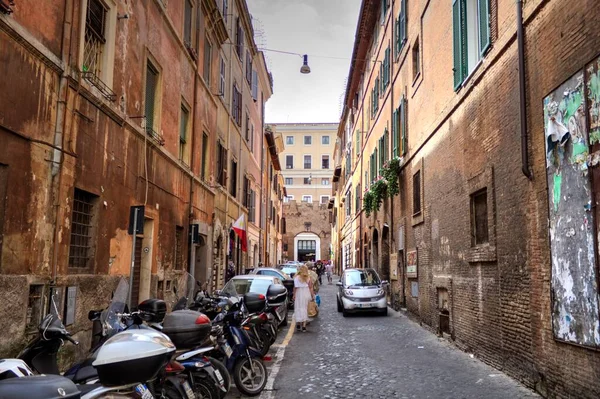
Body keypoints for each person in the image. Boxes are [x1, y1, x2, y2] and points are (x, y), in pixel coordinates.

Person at [293, 265, 315, 332]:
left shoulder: (296, 278)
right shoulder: (308, 278)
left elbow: (295, 287)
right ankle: (304, 326)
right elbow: (311, 287)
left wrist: (294, 295)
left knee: (298, 307)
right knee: (305, 308)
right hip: (306, 293)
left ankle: (298, 324)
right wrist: (312, 295)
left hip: (299, 293)